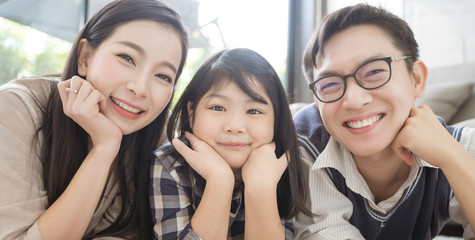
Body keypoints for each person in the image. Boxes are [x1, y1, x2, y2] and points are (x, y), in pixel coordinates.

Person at [0, 0, 188, 239]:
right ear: (85, 57)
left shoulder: (158, 136)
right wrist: (105, 148)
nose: (140, 89)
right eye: (126, 58)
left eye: (163, 75)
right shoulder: (17, 109)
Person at [293, 4, 475, 240]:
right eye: (329, 84)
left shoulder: (461, 145)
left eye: (374, 72)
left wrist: (451, 157)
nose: (355, 100)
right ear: (317, 102)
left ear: (416, 79)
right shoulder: (305, 149)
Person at [150, 48, 311, 239]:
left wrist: (260, 188)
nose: (234, 126)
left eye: (253, 111)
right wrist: (219, 182)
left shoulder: (279, 162)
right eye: (218, 107)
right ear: (192, 113)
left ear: (276, 121)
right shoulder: (170, 164)